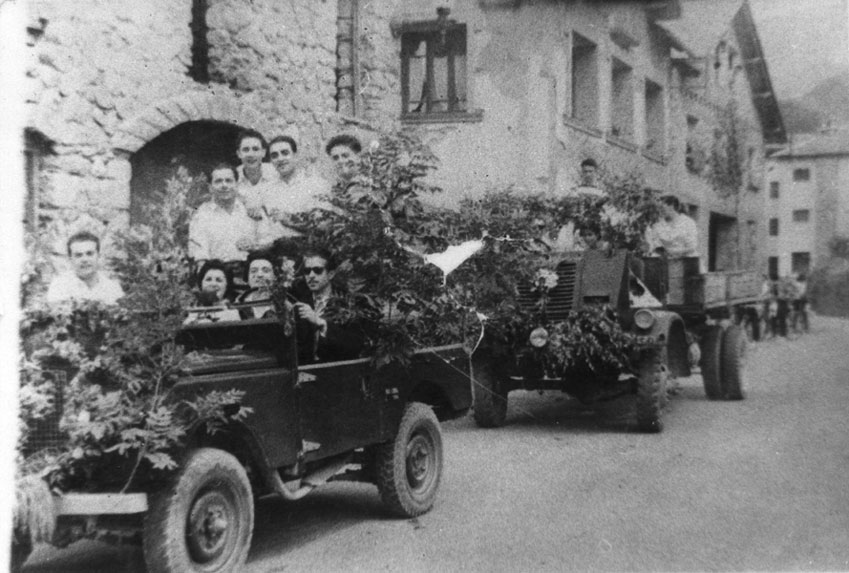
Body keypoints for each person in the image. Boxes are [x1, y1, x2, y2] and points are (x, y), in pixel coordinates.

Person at [244, 135, 334, 238]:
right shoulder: (266, 189)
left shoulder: (317, 185)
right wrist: (251, 207)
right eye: (274, 155)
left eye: (285, 153)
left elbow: (324, 226)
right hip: (276, 251)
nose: (280, 159)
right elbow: (249, 204)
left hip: (309, 251)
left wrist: (289, 219)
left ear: (296, 155)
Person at [292, 248, 363, 362]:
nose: (311, 275)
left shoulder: (349, 302)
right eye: (307, 271)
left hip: (337, 371)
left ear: (330, 274)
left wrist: (323, 324)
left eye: (317, 270)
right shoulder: (300, 304)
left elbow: (355, 345)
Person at [188, 163, 261, 264]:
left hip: (250, 273)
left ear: (237, 184)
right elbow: (200, 254)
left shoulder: (251, 209)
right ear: (210, 187)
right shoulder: (201, 215)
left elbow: (267, 241)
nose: (224, 185)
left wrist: (254, 246)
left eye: (229, 180)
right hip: (219, 274)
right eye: (218, 181)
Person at [46, 231, 125, 304]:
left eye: (89, 254)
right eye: (78, 255)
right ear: (70, 260)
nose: (84, 259)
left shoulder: (113, 288)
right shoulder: (60, 286)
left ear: (99, 256)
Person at [235, 129, 276, 199]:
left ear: (263, 153)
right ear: (239, 154)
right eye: (246, 150)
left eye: (255, 149)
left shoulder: (275, 173)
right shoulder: (233, 177)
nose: (251, 154)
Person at [235, 251, 278, 319]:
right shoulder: (237, 307)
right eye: (253, 271)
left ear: (275, 277)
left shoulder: (284, 304)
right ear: (247, 278)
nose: (259, 275)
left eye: (266, 271)